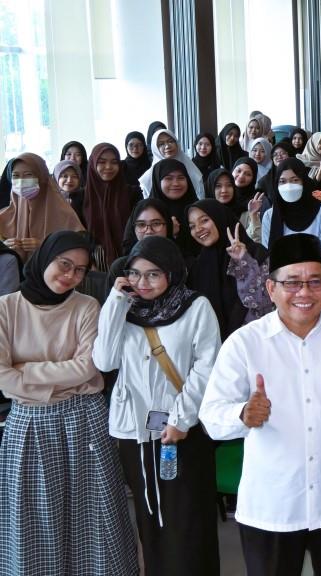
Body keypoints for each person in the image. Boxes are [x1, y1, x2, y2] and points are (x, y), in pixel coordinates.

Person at [199, 233, 321, 576]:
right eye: (292, 283)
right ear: (271, 289)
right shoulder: (244, 344)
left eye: (315, 281)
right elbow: (211, 416)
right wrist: (243, 414)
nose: (304, 292)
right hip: (272, 507)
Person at [0, 231, 138, 575]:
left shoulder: (86, 305)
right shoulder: (6, 308)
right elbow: (1, 377)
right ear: (45, 257)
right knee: (32, 516)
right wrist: (61, 379)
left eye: (79, 270)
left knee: (94, 513)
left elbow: (89, 367)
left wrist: (25, 372)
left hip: (84, 420)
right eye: (64, 265)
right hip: (28, 425)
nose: (70, 276)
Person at [94, 235, 222, 575]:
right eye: (135, 274)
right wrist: (116, 302)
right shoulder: (124, 308)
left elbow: (208, 365)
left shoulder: (195, 307)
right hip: (133, 429)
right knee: (149, 516)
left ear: (171, 272)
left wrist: (181, 418)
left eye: (153, 274)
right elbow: (105, 361)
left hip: (181, 428)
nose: (143, 283)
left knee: (187, 514)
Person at [186, 199, 272, 339]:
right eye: (192, 226)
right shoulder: (198, 265)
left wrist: (244, 261)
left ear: (219, 218)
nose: (198, 229)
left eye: (204, 220)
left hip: (251, 341)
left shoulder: (256, 254)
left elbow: (262, 304)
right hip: (212, 349)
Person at [262, 158, 321, 276]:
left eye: (295, 180)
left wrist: (307, 280)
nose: (289, 186)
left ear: (304, 181)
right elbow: (269, 256)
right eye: (283, 181)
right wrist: (289, 281)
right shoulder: (270, 217)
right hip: (285, 281)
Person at [0, 152, 84, 261]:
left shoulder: (65, 215)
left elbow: (78, 250)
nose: (21, 181)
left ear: (42, 178)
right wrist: (3, 247)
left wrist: (46, 245)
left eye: (28, 175)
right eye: (15, 176)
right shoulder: (4, 216)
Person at [84, 143, 139, 270]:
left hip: (130, 261)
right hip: (93, 267)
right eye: (102, 162)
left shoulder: (132, 193)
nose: (108, 167)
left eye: (114, 162)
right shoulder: (80, 198)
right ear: (92, 164)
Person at [149, 158, 201, 256]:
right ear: (157, 180)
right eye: (168, 178)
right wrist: (167, 233)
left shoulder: (199, 209)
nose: (176, 183)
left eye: (181, 178)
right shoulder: (145, 212)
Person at [139, 129, 206, 198]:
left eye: (170, 141)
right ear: (155, 149)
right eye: (161, 144)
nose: (167, 146)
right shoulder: (148, 177)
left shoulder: (190, 167)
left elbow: (200, 195)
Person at [209, 167, 261, 241]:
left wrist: (253, 217)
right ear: (211, 188)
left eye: (229, 185)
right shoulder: (205, 216)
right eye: (218, 186)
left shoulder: (245, 213)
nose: (224, 190)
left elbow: (255, 242)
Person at [52, 158, 85, 224]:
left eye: (74, 176)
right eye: (65, 176)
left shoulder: (85, 197)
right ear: (56, 177)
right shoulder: (50, 198)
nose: (69, 180)